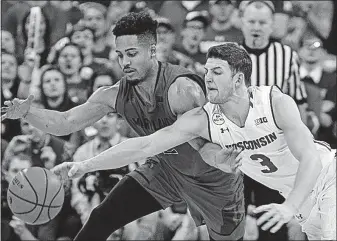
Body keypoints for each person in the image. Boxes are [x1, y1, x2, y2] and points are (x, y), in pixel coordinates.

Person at [52, 43, 335, 240]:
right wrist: (85, 165)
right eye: (206, 71)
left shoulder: (275, 102)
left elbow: (310, 158)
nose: (207, 79)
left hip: (327, 177)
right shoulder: (204, 119)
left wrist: (289, 206)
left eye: (217, 72)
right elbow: (144, 146)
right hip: (299, 199)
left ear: (238, 80)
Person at [1, 12, 245, 241]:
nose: (124, 62)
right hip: (166, 172)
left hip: (213, 179)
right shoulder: (114, 94)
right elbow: (66, 122)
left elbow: (202, 147)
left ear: (152, 50)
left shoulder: (182, 90)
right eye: (119, 55)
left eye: (131, 53)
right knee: (101, 217)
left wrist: (221, 160)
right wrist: (28, 113)